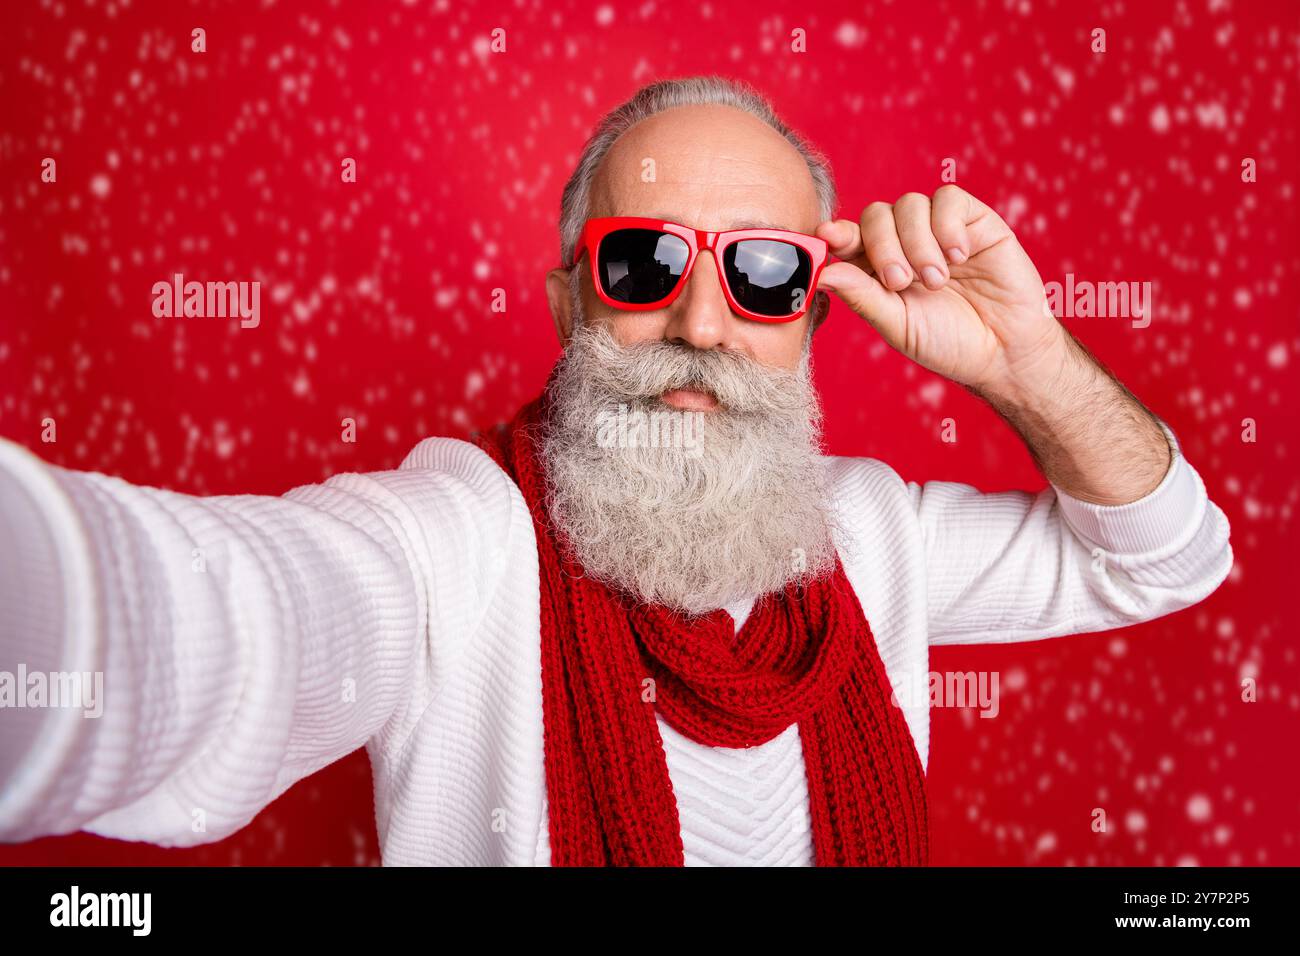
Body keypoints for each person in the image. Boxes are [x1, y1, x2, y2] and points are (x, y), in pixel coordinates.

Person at [0, 76, 1232, 866]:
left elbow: (1167, 559)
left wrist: (1025, 362)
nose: (702, 323)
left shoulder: (868, 532)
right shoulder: (456, 542)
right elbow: (225, 617)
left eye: (760, 272)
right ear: (566, 300)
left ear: (810, 313)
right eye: (643, 260)